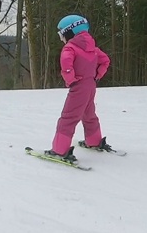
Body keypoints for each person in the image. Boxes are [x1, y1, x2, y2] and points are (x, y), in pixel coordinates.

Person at [45, 14, 112, 162]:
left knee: (68, 118)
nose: (60, 38)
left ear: (70, 31)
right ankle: (94, 140)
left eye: (61, 33)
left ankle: (59, 150)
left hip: (79, 87)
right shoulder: (92, 47)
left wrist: (71, 81)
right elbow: (105, 60)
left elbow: (66, 65)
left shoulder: (70, 48)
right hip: (90, 86)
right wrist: (96, 75)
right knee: (89, 114)